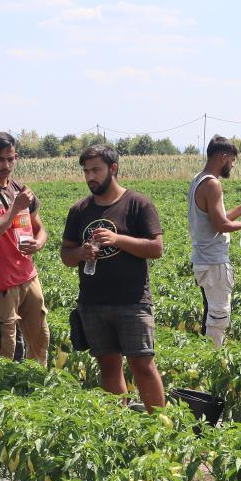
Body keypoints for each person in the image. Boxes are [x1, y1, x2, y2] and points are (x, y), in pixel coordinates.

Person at [60, 144, 166, 408]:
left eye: (96, 170)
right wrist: (81, 253)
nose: (90, 177)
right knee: (107, 365)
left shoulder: (137, 204)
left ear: (113, 169)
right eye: (86, 171)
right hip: (93, 302)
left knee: (142, 363)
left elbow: (156, 248)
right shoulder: (79, 210)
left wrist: (118, 239)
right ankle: (120, 425)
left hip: (132, 301)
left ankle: (164, 429)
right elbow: (65, 255)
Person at [0, 131, 50, 363]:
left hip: (28, 275)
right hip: (2, 281)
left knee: (40, 337)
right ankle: (1, 392)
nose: (7, 165)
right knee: (5, 345)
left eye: (11, 158)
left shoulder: (21, 190)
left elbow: (40, 229)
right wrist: (14, 209)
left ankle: (38, 389)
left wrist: (39, 243)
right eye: (0, 159)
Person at [188, 135, 241, 347]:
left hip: (203, 260)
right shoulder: (212, 184)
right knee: (218, 317)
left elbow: (218, 219)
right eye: (232, 161)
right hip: (213, 262)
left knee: (210, 312)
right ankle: (213, 360)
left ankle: (207, 355)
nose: (232, 165)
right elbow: (220, 226)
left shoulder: (198, 179)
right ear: (223, 157)